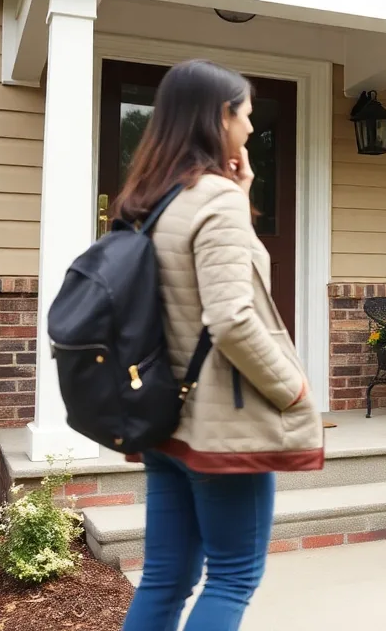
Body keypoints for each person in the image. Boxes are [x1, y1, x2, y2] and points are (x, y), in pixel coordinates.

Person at [118, 60, 323, 631]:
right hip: (220, 424)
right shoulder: (213, 200)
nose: (252, 130)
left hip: (164, 417)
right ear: (220, 117)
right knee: (232, 577)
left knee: (165, 577)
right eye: (247, 115)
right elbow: (232, 317)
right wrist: (291, 387)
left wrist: (243, 194)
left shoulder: (150, 200)